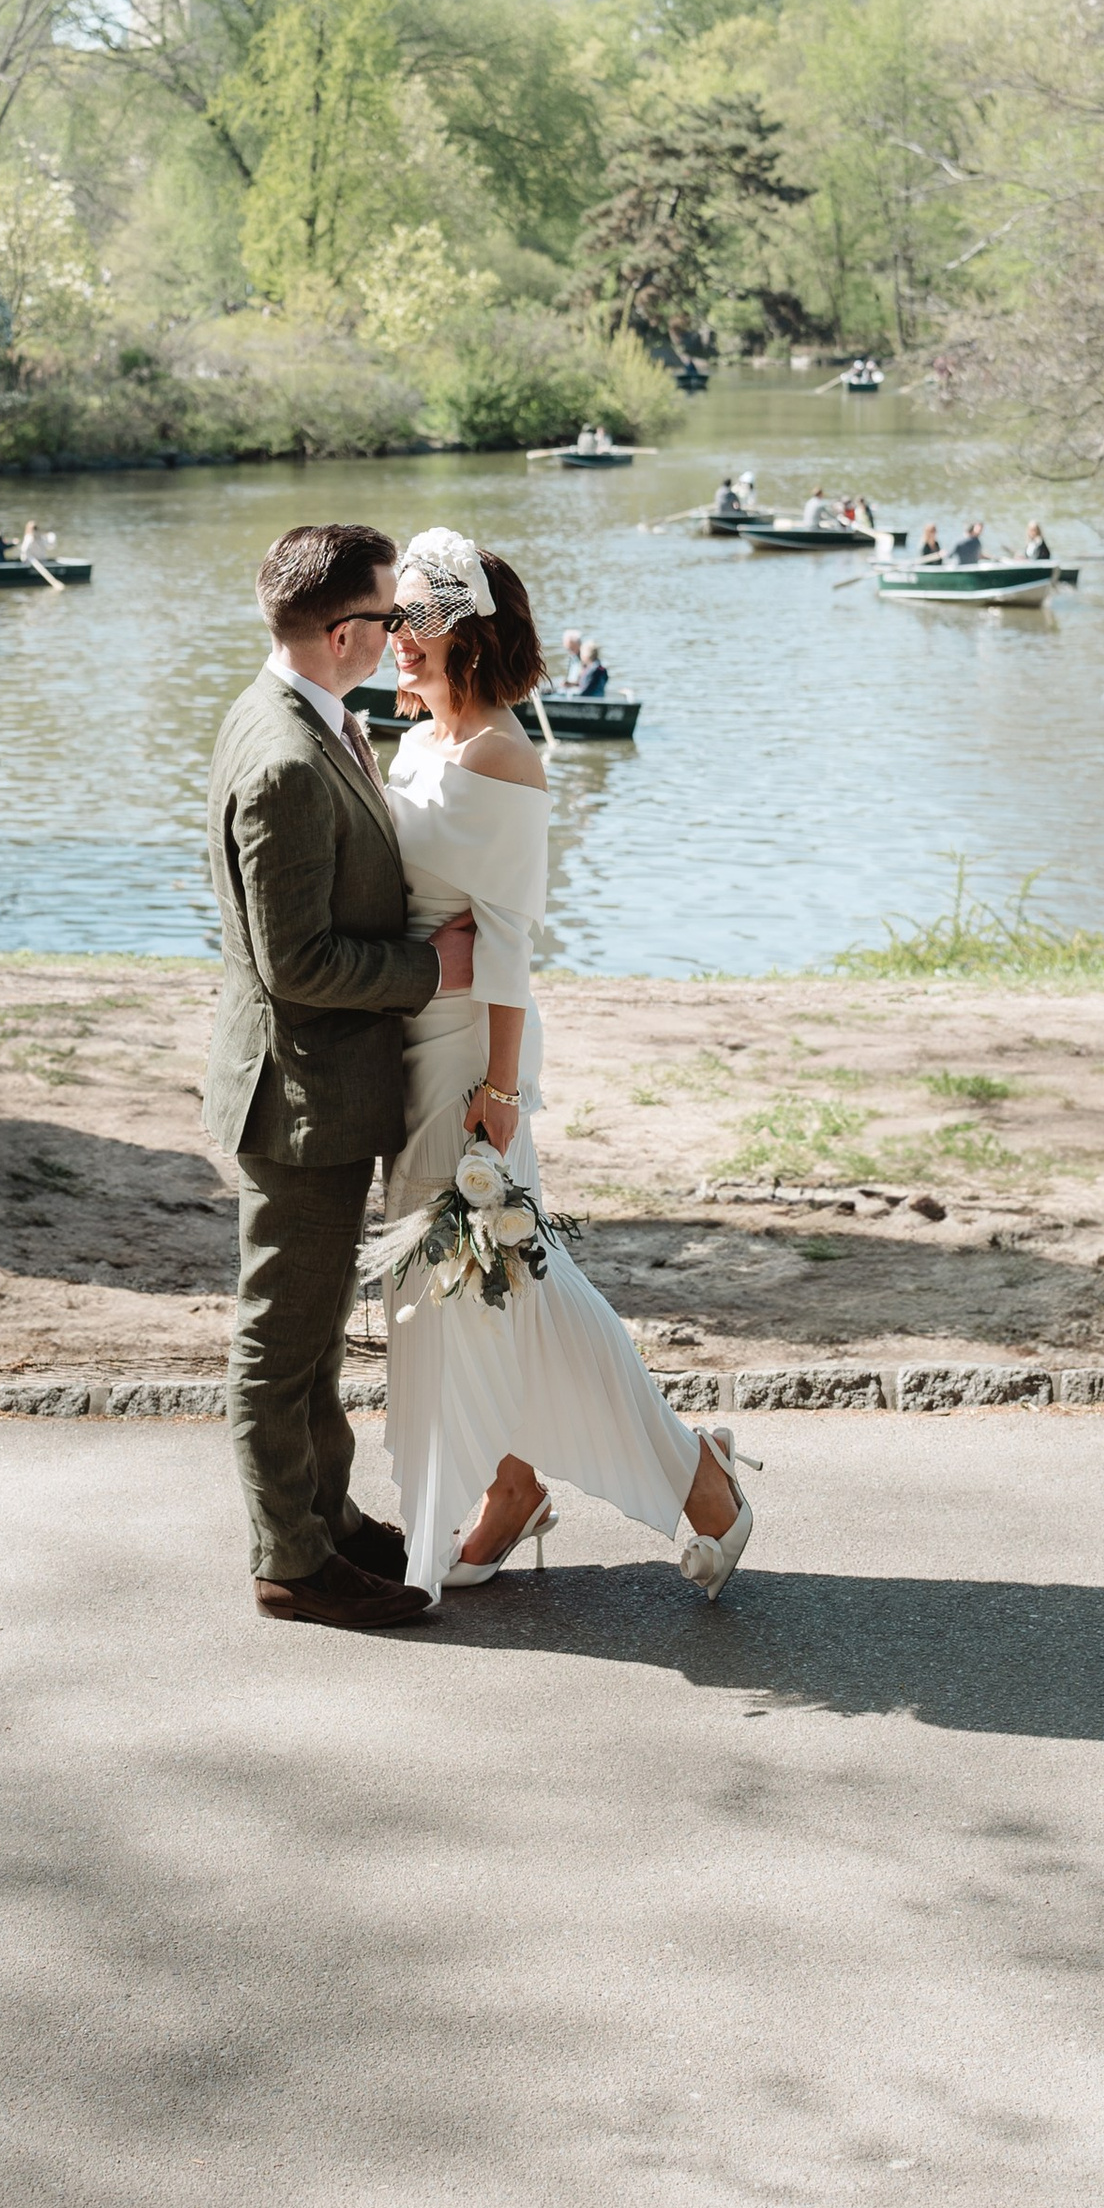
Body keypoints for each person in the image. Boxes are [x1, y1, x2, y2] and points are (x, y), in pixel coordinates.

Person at [367, 527, 754, 1600]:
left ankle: (698, 1480)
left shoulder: (501, 753)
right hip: (411, 1049)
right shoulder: (416, 740)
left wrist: (497, 1092)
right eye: (393, 618)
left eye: (414, 618)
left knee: (514, 1282)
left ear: (468, 629)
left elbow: (505, 943)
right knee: (449, 1288)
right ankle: (513, 1484)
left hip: (469, 1064)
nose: (396, 636)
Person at [203, 522, 479, 1633]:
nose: (402, 631)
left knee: (316, 1332)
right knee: (282, 1338)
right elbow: (298, 963)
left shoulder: (305, 715)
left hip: (324, 1085)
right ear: (338, 632)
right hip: (298, 1093)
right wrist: (431, 968)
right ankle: (290, 1561)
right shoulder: (280, 756)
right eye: (387, 615)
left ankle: (326, 1518)